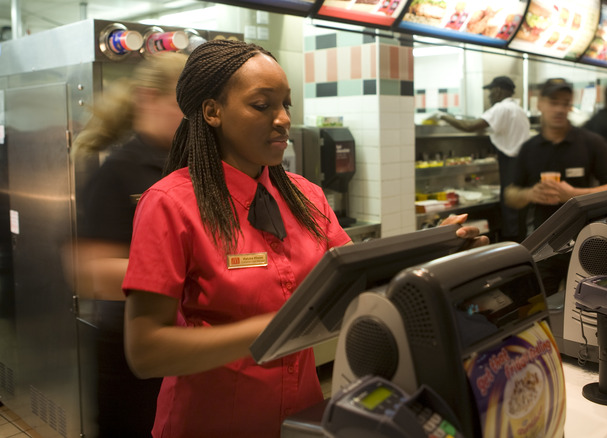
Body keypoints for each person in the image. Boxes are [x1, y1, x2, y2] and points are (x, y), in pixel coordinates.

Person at [122, 40, 486, 438]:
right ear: (212, 112)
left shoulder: (305, 196)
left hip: (302, 421)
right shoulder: (170, 204)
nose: (282, 119)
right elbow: (147, 351)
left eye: (286, 105)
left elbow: (363, 282)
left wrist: (438, 250)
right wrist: (285, 325)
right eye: (263, 105)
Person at [71, 52, 187, 437]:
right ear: (146, 99)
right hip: (128, 348)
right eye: (181, 105)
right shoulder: (119, 170)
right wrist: (195, 270)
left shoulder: (187, 163)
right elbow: (93, 272)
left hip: (181, 340)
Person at [504, 78, 607, 296]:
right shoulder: (529, 148)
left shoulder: (591, 142)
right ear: (539, 103)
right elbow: (510, 194)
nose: (559, 108)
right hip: (542, 246)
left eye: (565, 103)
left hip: (585, 244)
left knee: (584, 311)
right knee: (543, 309)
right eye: (553, 102)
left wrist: (574, 196)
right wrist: (530, 193)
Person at [437, 75, 530, 241]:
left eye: (491, 91)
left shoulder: (502, 108)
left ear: (499, 90)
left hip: (512, 164)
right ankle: (519, 246)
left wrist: (442, 116)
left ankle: (510, 249)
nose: (489, 96)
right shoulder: (518, 109)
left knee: (510, 210)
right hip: (522, 164)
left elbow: (469, 126)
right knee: (517, 213)